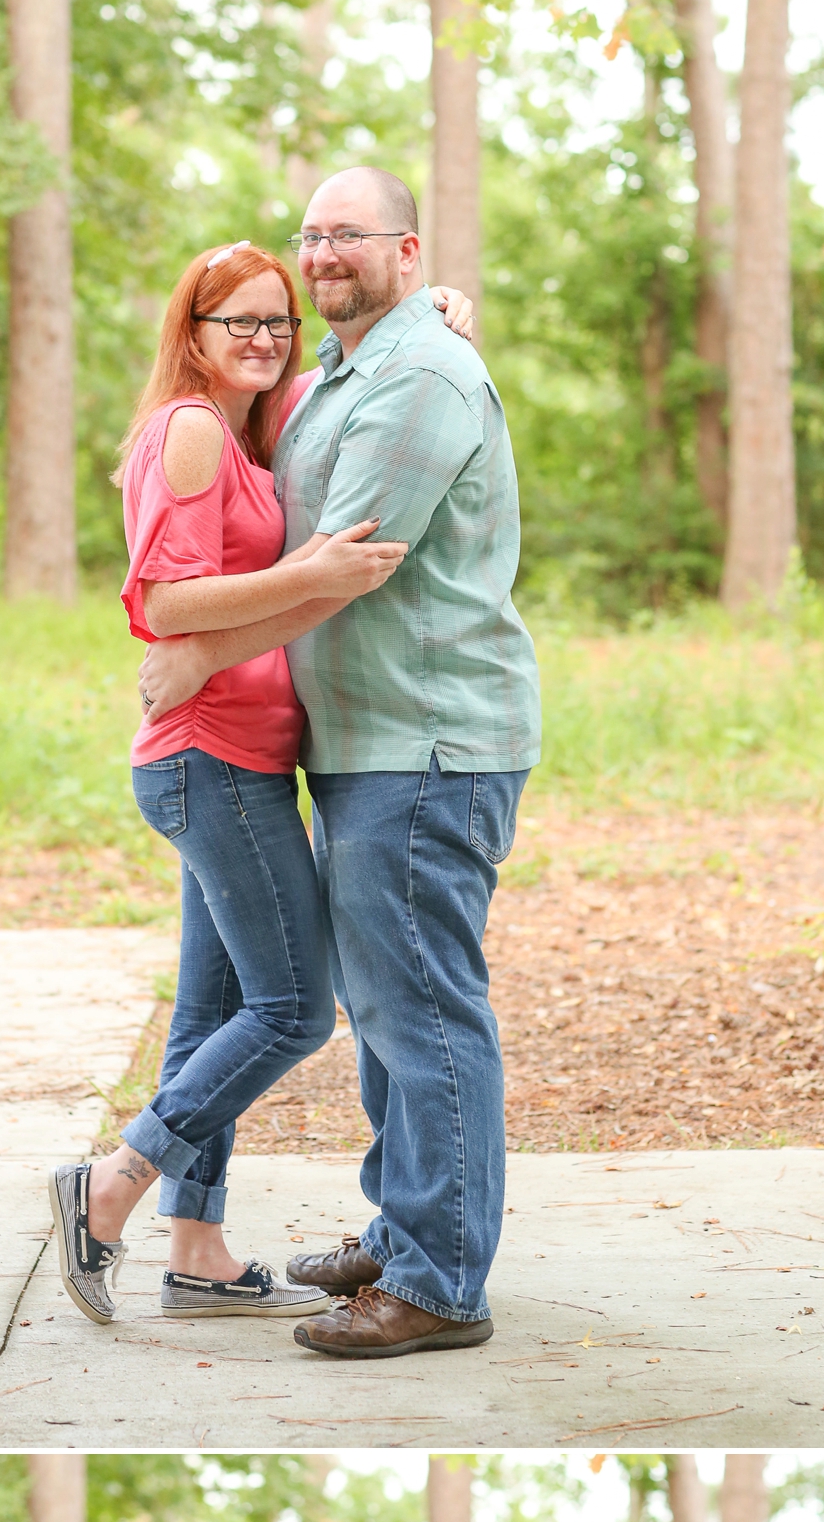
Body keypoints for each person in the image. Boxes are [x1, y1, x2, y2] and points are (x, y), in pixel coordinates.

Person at [138, 169, 542, 1361]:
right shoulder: (351, 370)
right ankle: (408, 1227)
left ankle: (437, 1282)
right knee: (385, 1008)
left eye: (348, 237)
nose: (323, 256)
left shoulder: (414, 375)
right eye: (312, 237)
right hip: (365, 744)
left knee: (422, 1011)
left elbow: (342, 564)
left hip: (424, 743)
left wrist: (196, 656)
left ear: (405, 250)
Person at [49, 236, 474, 1329]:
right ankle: (113, 1185)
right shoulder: (190, 431)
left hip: (238, 758)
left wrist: (427, 310)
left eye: (275, 321)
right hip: (211, 760)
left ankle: (197, 1249)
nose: (262, 339)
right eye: (235, 321)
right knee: (292, 1012)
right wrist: (314, 576)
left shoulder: (253, 427)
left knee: (212, 1009)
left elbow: (361, 376)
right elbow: (164, 604)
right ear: (191, 335)